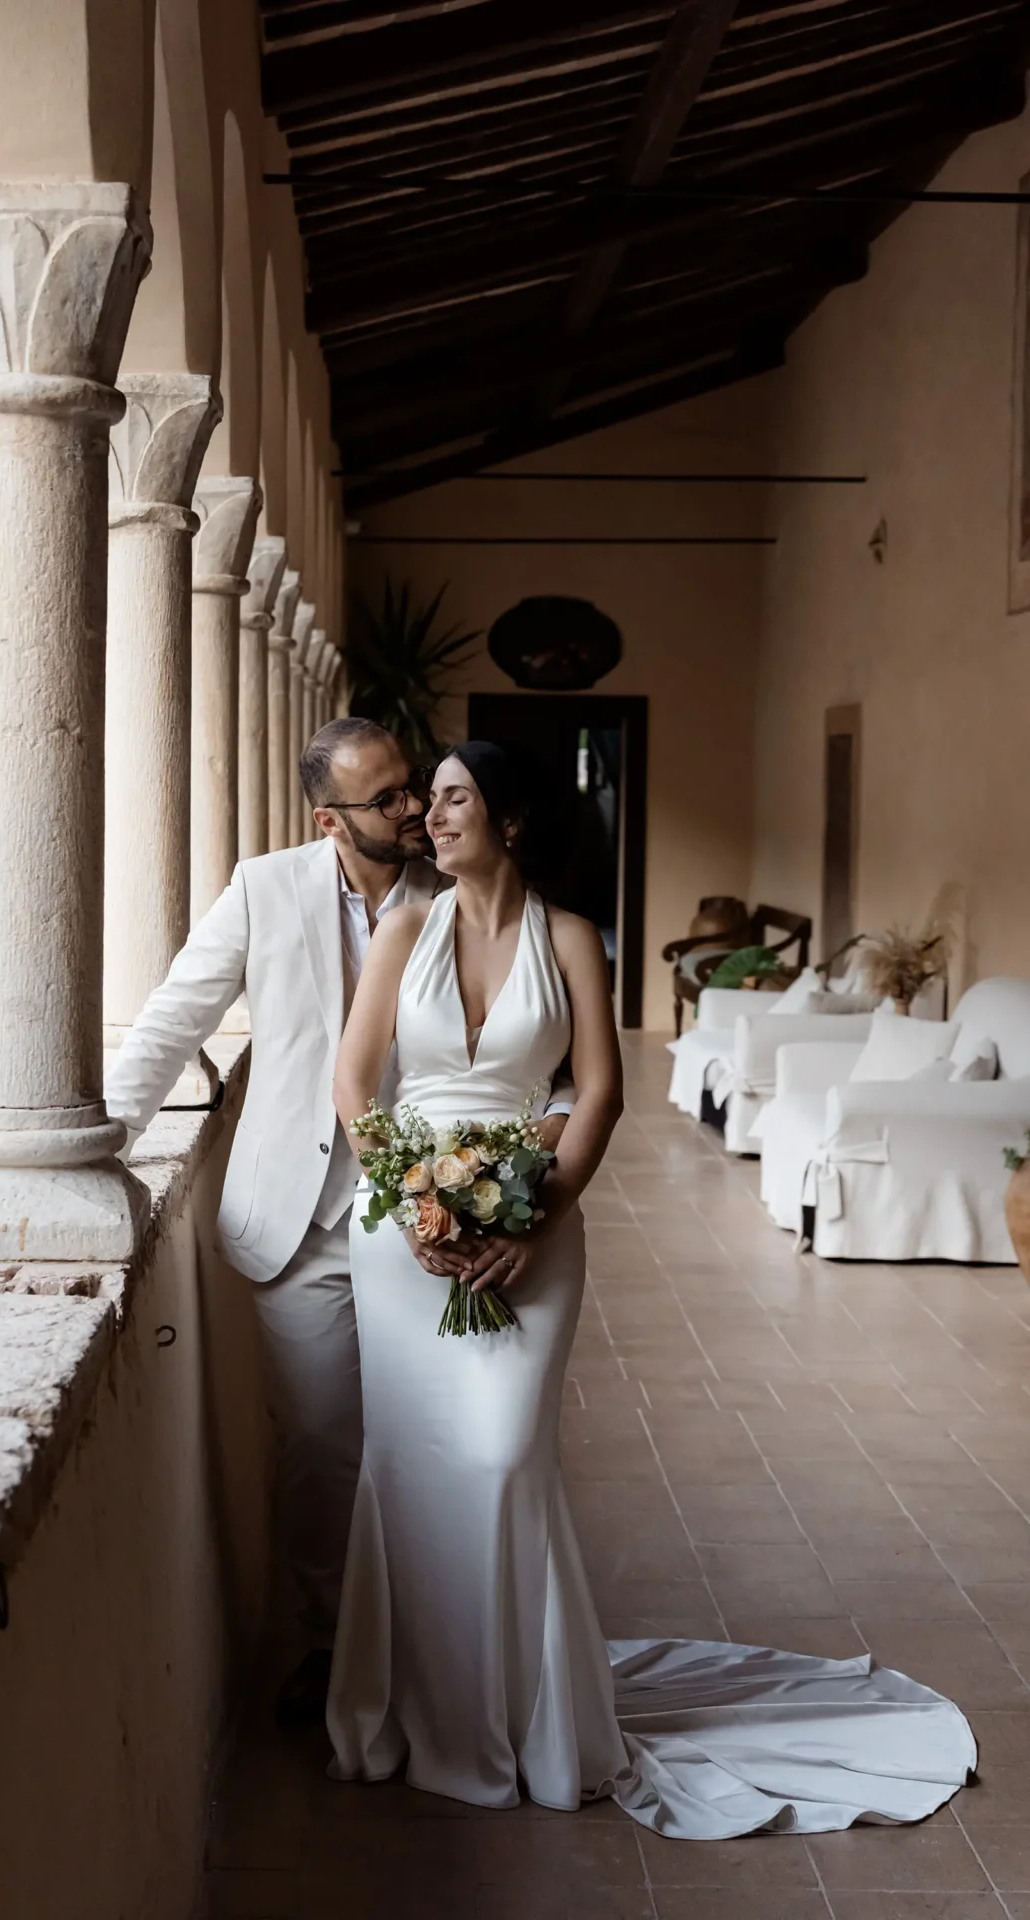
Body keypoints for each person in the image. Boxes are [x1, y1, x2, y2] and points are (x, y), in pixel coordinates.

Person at [327, 739, 976, 1830]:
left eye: (452, 799)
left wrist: (537, 1222)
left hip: (534, 1218)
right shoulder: (401, 926)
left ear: (511, 819)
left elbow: (599, 1093)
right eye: (426, 802)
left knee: (502, 1456)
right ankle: (416, 1709)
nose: (429, 817)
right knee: (407, 1466)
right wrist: (402, 1196)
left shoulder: (572, 937)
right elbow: (352, 1078)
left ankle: (524, 1720)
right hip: (400, 1236)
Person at [103, 719, 570, 1723]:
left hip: (436, 1222)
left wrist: (498, 1200)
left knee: (433, 1438)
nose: (413, 808)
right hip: (295, 1217)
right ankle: (334, 1646)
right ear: (329, 817)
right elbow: (175, 1015)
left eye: (417, 788)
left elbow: (538, 1063)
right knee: (318, 1445)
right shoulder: (265, 889)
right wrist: (93, 1147)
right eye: (387, 798)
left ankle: (441, 1652)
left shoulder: (453, 894)